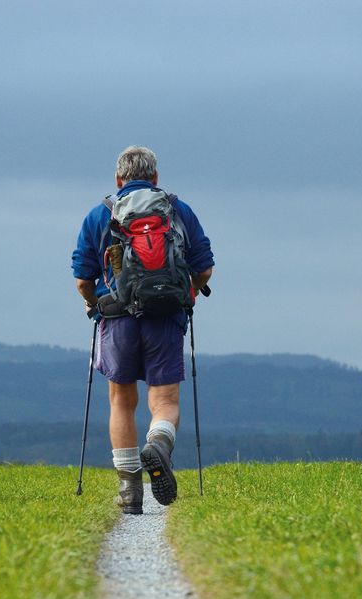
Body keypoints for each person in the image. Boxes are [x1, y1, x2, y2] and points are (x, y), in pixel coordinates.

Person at [72, 146, 214, 514]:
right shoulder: (177, 211)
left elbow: (83, 279)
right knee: (164, 402)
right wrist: (188, 293)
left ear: (118, 179)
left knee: (121, 401)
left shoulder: (98, 216)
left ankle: (130, 491)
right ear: (155, 179)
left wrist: (92, 303)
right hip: (165, 315)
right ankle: (159, 444)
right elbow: (204, 268)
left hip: (116, 318)